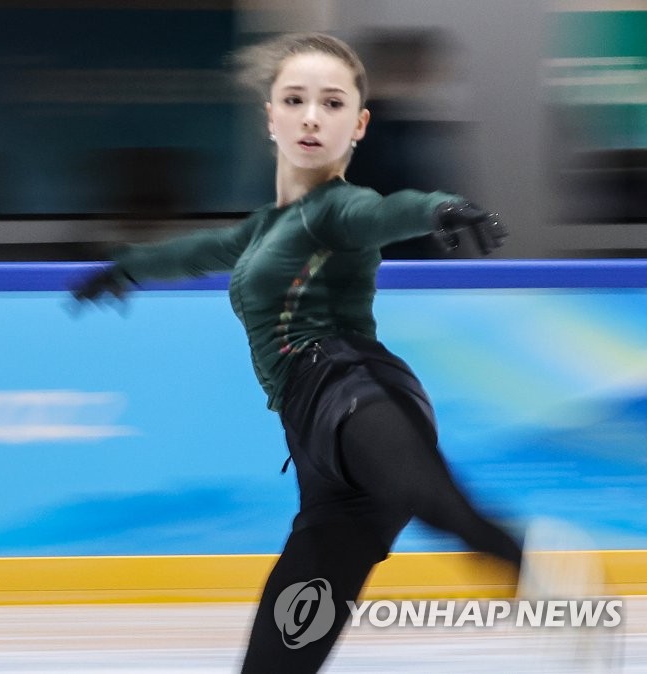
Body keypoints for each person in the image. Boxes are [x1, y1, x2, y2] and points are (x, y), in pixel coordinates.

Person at [71, 32, 521, 672]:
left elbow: (388, 213)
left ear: (359, 124)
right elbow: (195, 252)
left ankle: (538, 572)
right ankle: (521, 560)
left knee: (443, 506)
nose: (312, 116)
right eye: (296, 99)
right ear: (271, 116)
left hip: (354, 389)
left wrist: (442, 207)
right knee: (276, 660)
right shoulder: (262, 230)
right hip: (318, 450)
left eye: (333, 103)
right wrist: (124, 269)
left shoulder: (340, 208)